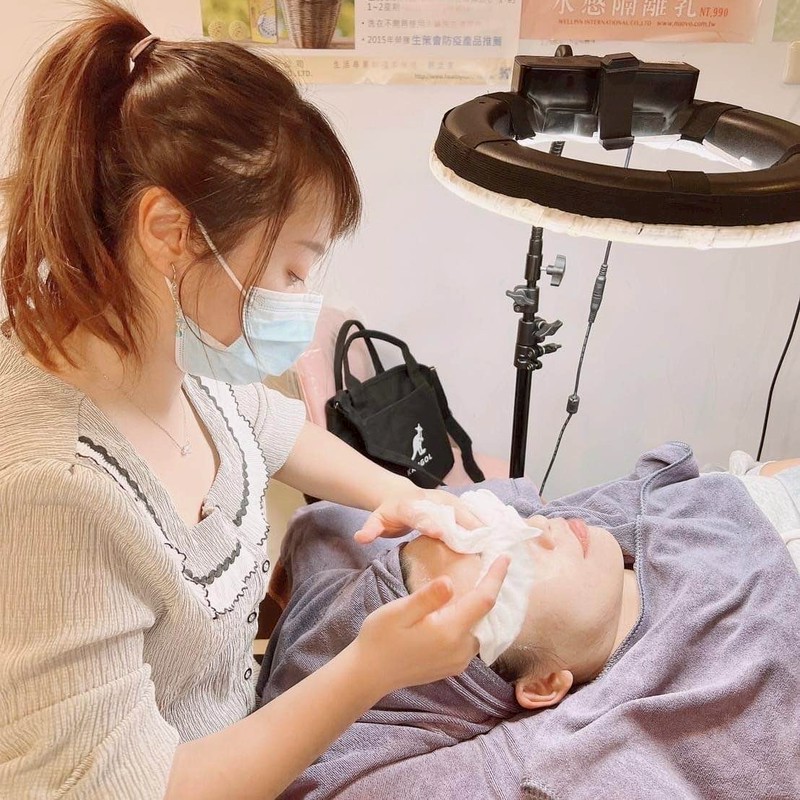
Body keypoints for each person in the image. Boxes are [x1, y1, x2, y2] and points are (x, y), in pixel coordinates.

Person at [0, 3, 510, 798]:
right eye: (292, 270)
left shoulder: (170, 351)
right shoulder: (51, 490)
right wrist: (369, 671)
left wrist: (404, 495)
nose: (299, 300)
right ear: (169, 232)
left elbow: (273, 432)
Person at [259, 444, 800, 800]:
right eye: (510, 564)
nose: (540, 526)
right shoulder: (655, 720)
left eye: (505, 523)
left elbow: (323, 524)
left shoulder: (617, 527)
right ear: (543, 685)